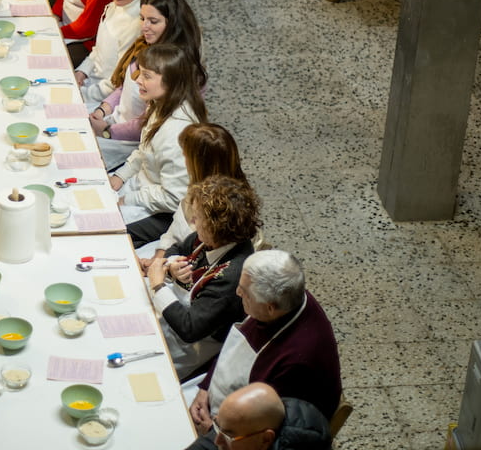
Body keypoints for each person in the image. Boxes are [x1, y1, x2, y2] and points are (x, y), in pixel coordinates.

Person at [187, 250, 342, 435]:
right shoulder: (284, 298)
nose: (237, 292)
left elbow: (266, 429)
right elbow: (232, 352)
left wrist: (218, 433)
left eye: (244, 292)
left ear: (270, 308)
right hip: (219, 399)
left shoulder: (297, 362)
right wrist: (205, 388)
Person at [146, 174, 260, 380]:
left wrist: (158, 286)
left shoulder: (232, 276)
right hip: (177, 316)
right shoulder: (210, 239)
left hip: (194, 345)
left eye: (197, 218)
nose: (192, 221)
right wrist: (172, 266)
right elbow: (177, 247)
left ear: (215, 226)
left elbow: (190, 329)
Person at [90, 0, 206, 170]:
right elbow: (125, 84)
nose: (144, 27)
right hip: (115, 121)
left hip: (131, 142)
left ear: (172, 23)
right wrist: (103, 109)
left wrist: (106, 131)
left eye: (153, 21)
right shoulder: (146, 44)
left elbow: (150, 122)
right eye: (142, 18)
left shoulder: (177, 67)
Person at [108, 42, 208, 242]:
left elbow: (173, 197)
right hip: (142, 189)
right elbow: (145, 149)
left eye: (147, 76)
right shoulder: (160, 104)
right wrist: (121, 175)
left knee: (104, 234)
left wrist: (127, 199)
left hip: (158, 211)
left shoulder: (176, 133)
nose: (138, 81)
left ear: (170, 82)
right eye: (140, 73)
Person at [139, 123, 246, 265]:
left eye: (186, 156)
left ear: (200, 163)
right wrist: (158, 259)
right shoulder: (198, 186)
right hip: (175, 255)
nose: (184, 162)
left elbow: (202, 256)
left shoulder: (224, 206)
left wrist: (163, 266)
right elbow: (177, 227)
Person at [75, 0, 152, 106]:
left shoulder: (136, 23)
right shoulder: (113, 6)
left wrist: (84, 93)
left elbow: (118, 80)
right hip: (90, 82)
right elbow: (98, 50)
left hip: (103, 98)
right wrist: (81, 71)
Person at [185, 382, 332, 450]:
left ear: (266, 439)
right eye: (217, 426)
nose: (218, 441)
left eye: (228, 436)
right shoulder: (247, 426)